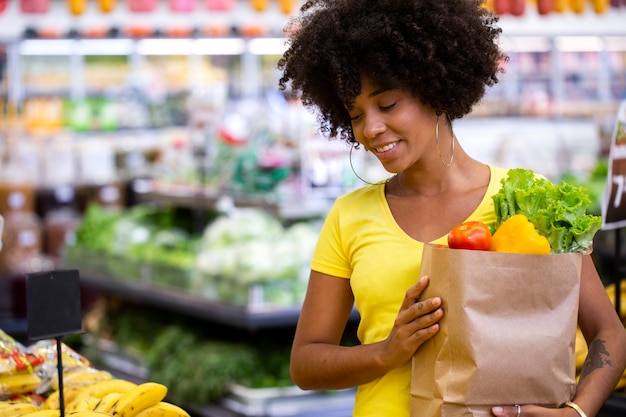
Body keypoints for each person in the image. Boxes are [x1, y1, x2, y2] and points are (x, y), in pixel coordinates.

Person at [276, 1, 626, 416]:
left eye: (387, 105)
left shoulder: (523, 201)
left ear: (435, 88)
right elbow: (306, 364)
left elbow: (609, 332)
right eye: (355, 114)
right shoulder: (349, 216)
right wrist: (386, 353)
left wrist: (578, 412)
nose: (370, 129)